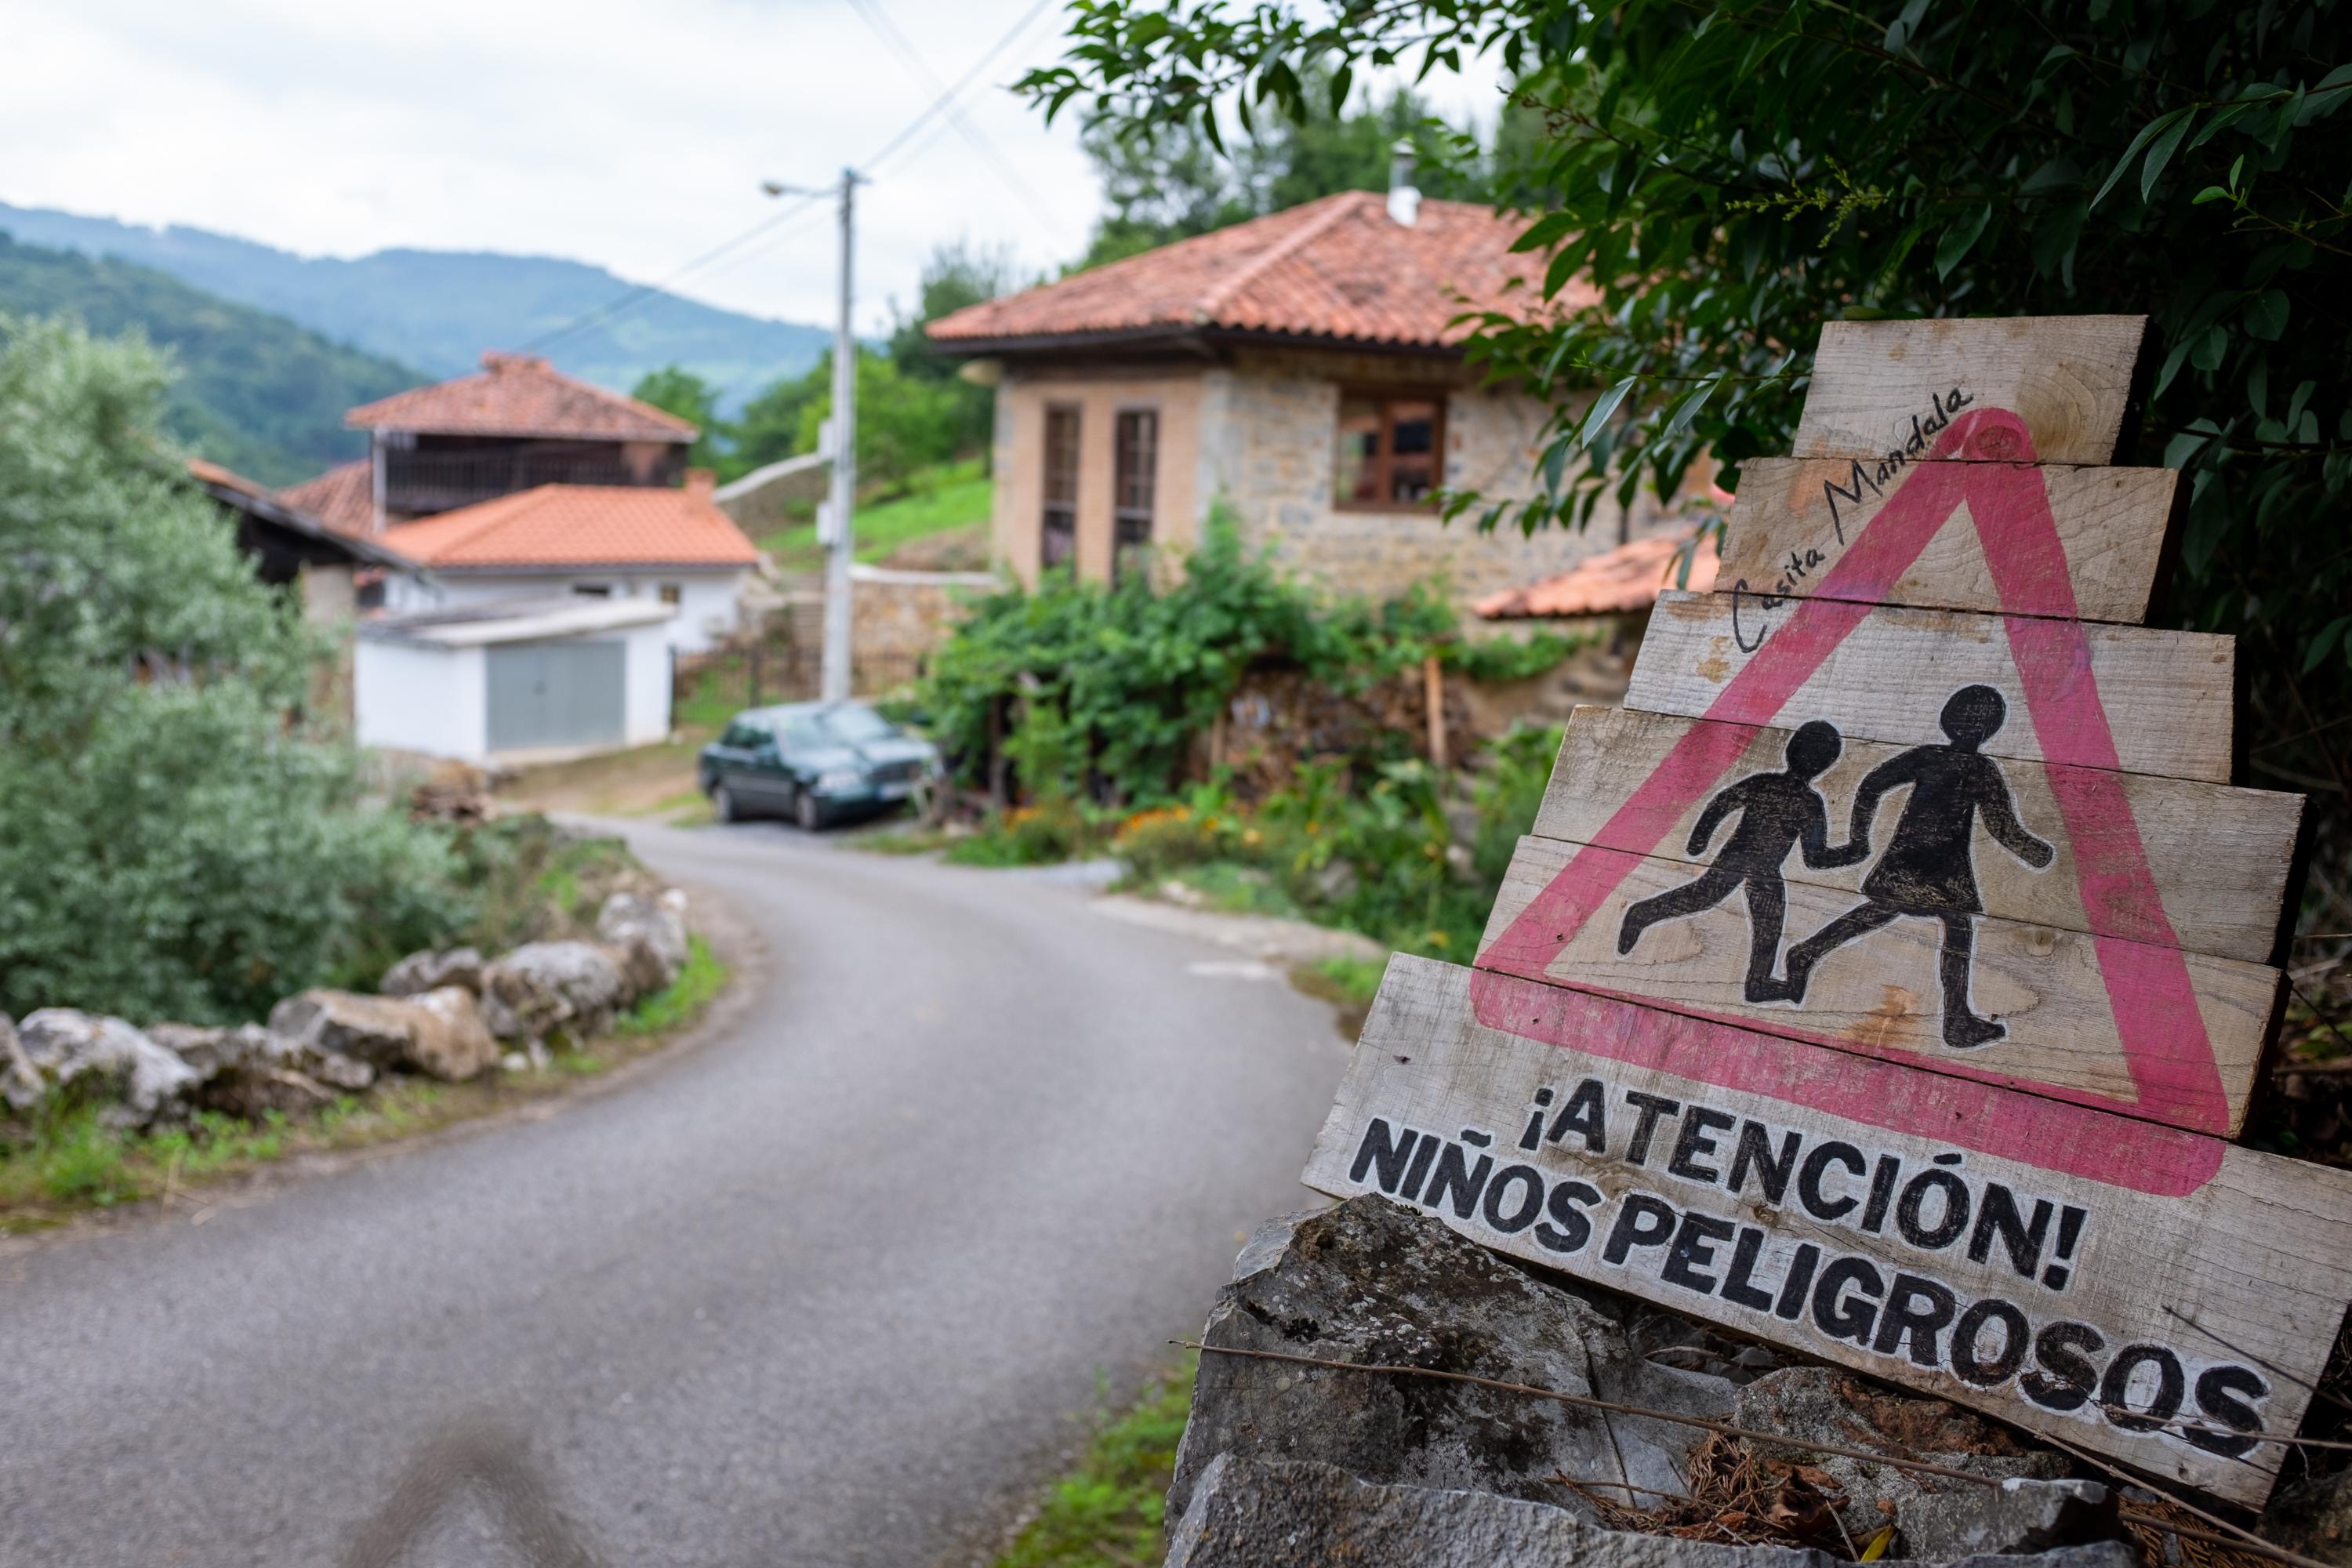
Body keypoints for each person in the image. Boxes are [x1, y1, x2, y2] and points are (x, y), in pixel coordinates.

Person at [1777, 684, 2054, 1048]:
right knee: (1951, 924)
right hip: (1931, 863)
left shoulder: (1945, 760)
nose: (1974, 727)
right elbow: (2001, 825)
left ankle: (1807, 952)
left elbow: (1872, 786)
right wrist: (2034, 852)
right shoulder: (1967, 765)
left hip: (1929, 861)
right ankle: (1955, 1019)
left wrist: (1862, 835)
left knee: (1891, 911)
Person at [1617, 720, 1864, 1003]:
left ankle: (1758, 982)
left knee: (1759, 919)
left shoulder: (1780, 789)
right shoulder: (1805, 800)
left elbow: (1725, 802)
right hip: (1745, 859)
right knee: (1711, 901)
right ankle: (1641, 914)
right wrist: (1852, 852)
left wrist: (1700, 839)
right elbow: (1815, 858)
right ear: (1826, 764)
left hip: (1753, 863)